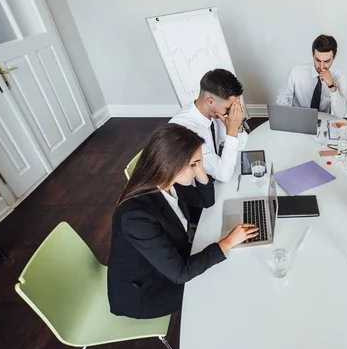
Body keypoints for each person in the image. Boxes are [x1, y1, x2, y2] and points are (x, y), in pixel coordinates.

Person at [108, 124, 258, 319]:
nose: (197, 171)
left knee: (227, 267)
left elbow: (206, 201)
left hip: (169, 261)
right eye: (193, 164)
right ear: (169, 165)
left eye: (199, 162)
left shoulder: (169, 181)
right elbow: (180, 273)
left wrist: (199, 168)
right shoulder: (136, 217)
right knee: (223, 284)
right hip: (146, 291)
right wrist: (227, 242)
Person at [170, 69, 247, 182]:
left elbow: (239, 145)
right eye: (229, 107)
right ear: (210, 101)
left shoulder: (212, 113)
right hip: (193, 189)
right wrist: (232, 130)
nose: (232, 112)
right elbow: (224, 175)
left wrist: (236, 126)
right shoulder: (189, 131)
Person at [276, 34, 347, 118]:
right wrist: (288, 115)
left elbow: (341, 115)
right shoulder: (296, 72)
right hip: (298, 118)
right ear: (313, 55)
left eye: (327, 61)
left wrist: (332, 86)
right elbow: (283, 95)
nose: (321, 66)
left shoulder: (339, 78)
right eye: (317, 60)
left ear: (334, 57)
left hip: (322, 122)